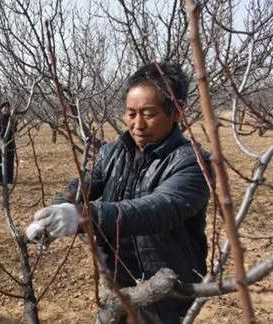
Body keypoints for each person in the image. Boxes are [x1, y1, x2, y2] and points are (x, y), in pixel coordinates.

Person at [25, 62, 210, 323]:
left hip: (165, 289)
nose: (137, 124)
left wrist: (83, 217)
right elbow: (82, 186)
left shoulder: (192, 163)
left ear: (177, 111)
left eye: (148, 113)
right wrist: (53, 214)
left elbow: (158, 209)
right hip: (115, 277)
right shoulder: (113, 153)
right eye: (130, 113)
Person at [0, 101, 16, 185]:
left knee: (10, 161)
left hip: (10, 142)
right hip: (0, 143)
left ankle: (9, 180)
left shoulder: (11, 119)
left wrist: (13, 122)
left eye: (7, 107)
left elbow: (14, 130)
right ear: (1, 109)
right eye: (4, 107)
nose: (6, 109)